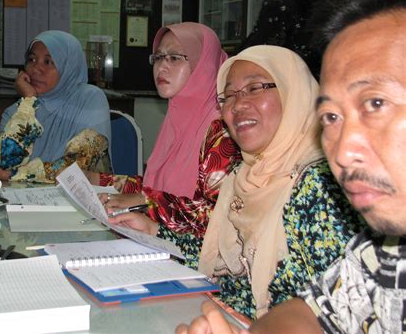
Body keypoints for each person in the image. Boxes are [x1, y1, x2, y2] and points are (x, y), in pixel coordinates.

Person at [176, 0, 406, 333]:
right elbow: (309, 312)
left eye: (375, 103)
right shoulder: (384, 253)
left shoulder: (314, 186)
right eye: (331, 117)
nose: (342, 151)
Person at [109, 45, 364, 319]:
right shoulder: (244, 174)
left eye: (255, 88)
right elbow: (228, 265)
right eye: (228, 94)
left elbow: (335, 312)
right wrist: (156, 233)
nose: (238, 104)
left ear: (294, 94)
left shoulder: (322, 187)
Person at [91, 22, 241, 238]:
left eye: (174, 58)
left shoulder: (222, 129)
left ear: (203, 64)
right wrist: (98, 180)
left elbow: (216, 215)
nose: (161, 67)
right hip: (158, 240)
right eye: (158, 57)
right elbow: (158, 187)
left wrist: (146, 203)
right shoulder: (178, 116)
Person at [0, 30, 112, 183]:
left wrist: (12, 175)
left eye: (48, 62)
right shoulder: (17, 112)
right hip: (26, 202)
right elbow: (6, 161)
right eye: (32, 59)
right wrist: (29, 101)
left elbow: (79, 168)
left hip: (82, 200)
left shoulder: (90, 99)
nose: (35, 69)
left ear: (68, 67)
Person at [238, 0, 343, 78]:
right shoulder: (338, 2)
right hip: (326, 87)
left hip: (289, 88)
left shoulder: (282, 1)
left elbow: (253, 55)